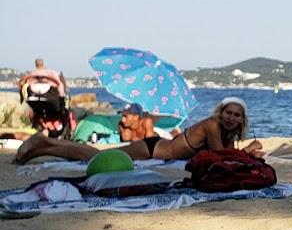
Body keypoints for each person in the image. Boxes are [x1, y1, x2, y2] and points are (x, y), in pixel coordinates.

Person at [14, 97, 263, 164]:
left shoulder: (226, 132)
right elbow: (220, 156)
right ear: (221, 112)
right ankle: (41, 145)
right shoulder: (212, 125)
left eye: (236, 115)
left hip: (155, 148)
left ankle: (42, 146)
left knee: (93, 154)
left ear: (242, 120)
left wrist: (245, 153)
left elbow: (227, 157)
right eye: (228, 112)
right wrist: (248, 152)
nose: (231, 117)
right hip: (152, 150)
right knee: (94, 156)